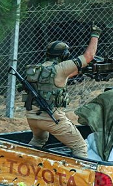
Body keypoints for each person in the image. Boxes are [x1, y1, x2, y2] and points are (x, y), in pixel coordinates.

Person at [23, 26, 100, 158]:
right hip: (52, 118)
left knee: (39, 140)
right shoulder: (61, 68)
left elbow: (62, 77)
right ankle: (79, 171)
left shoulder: (36, 69)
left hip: (32, 117)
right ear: (64, 55)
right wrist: (95, 35)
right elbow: (89, 56)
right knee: (80, 146)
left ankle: (24, 162)